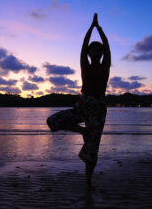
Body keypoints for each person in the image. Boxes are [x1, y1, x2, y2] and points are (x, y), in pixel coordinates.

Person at [47, 13, 111, 185]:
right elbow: (83, 46)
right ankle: (83, 131)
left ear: (102, 53)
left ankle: (87, 182)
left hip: (98, 107)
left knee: (92, 149)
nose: (96, 52)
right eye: (93, 50)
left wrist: (100, 29)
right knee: (53, 120)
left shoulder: (105, 66)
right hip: (83, 103)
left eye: (99, 50)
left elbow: (107, 46)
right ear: (89, 53)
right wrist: (91, 27)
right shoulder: (85, 64)